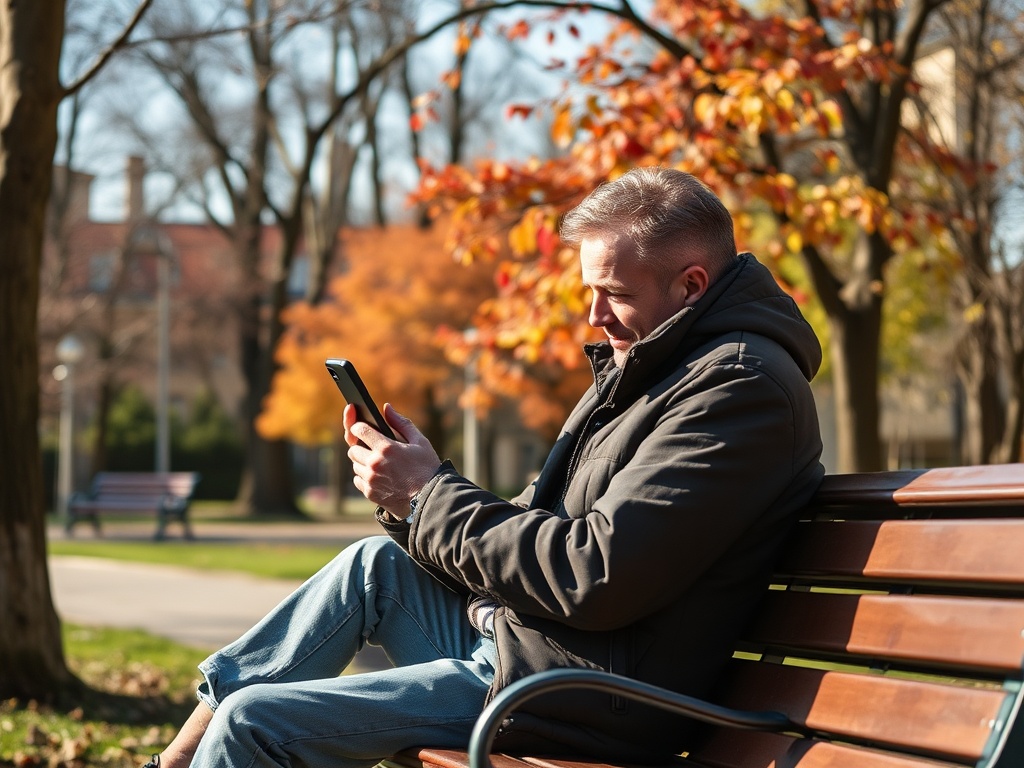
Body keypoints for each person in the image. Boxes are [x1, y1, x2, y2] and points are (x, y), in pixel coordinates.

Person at [146, 167, 823, 768]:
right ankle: (176, 759)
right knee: (371, 570)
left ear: (691, 284)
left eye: (612, 291)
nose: (593, 314)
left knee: (258, 723)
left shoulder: (736, 388)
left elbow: (594, 574)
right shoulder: (649, 365)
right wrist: (411, 493)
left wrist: (428, 494)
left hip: (591, 693)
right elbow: (530, 524)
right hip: (537, 649)